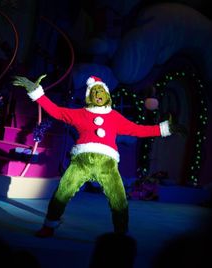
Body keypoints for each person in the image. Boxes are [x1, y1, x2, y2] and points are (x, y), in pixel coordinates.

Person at [13, 74, 180, 238]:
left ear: (107, 94)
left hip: (107, 165)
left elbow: (138, 129)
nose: (98, 94)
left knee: (119, 200)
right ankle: (49, 226)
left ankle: (121, 233)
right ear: (89, 95)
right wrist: (37, 93)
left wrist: (163, 129)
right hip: (80, 163)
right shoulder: (80, 114)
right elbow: (56, 112)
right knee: (62, 193)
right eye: (95, 91)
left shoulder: (115, 117)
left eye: (101, 91)